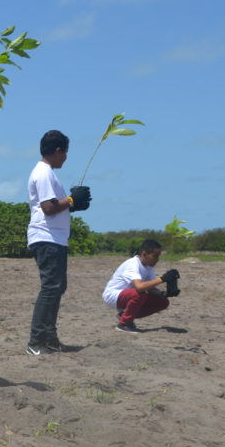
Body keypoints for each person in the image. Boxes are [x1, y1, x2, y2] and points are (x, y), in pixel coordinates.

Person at [25, 130, 90, 354]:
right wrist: (72, 200)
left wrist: (72, 202)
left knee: (57, 288)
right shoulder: (43, 173)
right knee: (51, 288)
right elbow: (49, 207)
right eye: (65, 153)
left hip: (55, 238)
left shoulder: (48, 173)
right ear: (58, 150)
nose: (66, 158)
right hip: (47, 237)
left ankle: (50, 339)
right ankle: (36, 342)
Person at [101, 239, 178, 332]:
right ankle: (123, 324)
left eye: (158, 257)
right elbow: (140, 287)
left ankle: (124, 315)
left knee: (162, 302)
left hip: (128, 295)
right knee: (140, 294)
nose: (157, 260)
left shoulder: (148, 267)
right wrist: (162, 279)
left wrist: (163, 294)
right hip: (113, 296)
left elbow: (150, 288)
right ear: (144, 254)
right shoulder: (133, 264)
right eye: (155, 256)